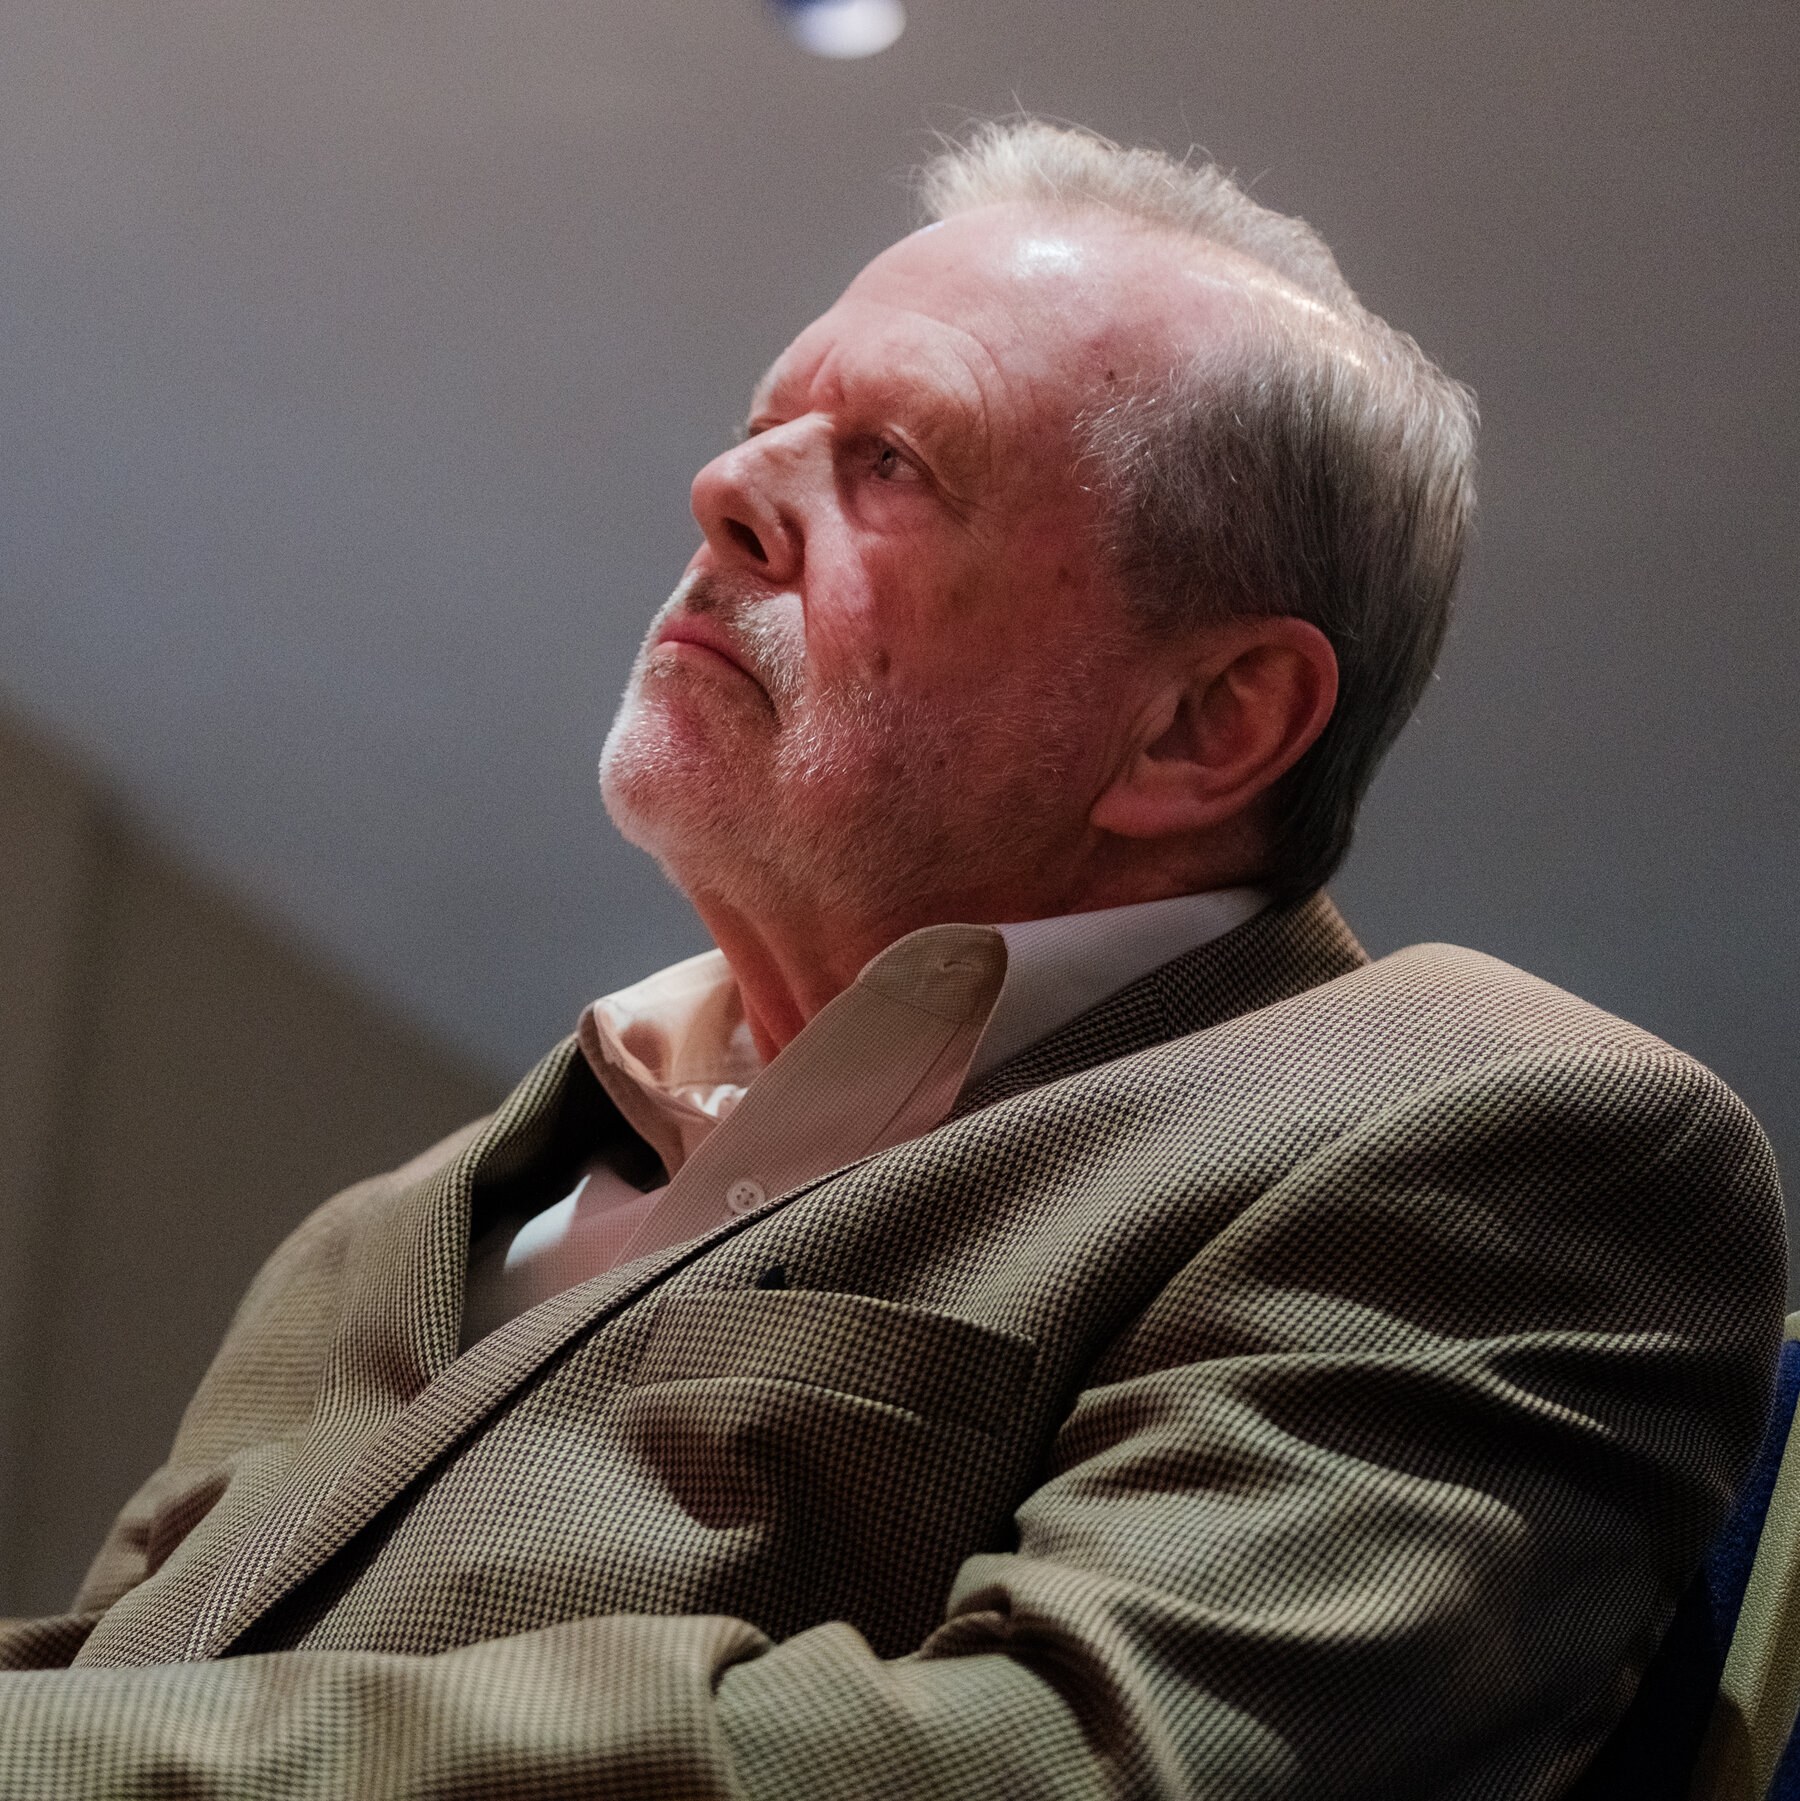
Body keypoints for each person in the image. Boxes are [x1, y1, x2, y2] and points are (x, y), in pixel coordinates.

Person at [0, 119, 1783, 1799]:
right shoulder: (395, 1222)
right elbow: (97, 1692)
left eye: (894, 462)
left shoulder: (1496, 1130)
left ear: (1207, 722)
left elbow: (1056, 1759)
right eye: (766, 425)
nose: (724, 489)